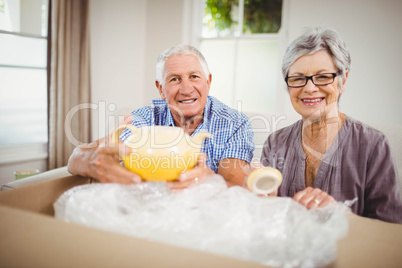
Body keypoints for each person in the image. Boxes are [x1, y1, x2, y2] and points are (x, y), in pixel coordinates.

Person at [260, 27, 402, 223]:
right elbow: (264, 217)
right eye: (298, 79)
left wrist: (338, 214)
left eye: (323, 77)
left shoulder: (373, 145)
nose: (309, 88)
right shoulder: (274, 143)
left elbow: (390, 229)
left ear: (343, 81)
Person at [68, 45, 254, 190]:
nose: (186, 89)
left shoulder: (235, 124)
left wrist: (210, 181)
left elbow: (237, 190)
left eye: (194, 76)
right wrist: (93, 163)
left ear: (208, 82)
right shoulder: (145, 118)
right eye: (174, 79)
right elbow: (75, 158)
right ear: (160, 89)